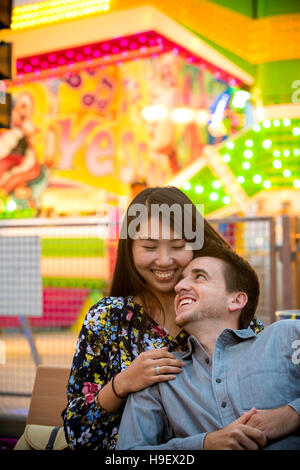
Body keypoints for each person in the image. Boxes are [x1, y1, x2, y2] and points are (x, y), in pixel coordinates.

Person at [62, 186, 263, 450]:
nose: (164, 260)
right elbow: (76, 432)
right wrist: (122, 383)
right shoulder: (108, 318)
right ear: (130, 248)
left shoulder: (221, 309)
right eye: (149, 246)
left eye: (178, 246)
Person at [116, 243, 300, 450]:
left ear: (236, 300)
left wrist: (292, 414)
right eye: (182, 279)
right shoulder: (160, 376)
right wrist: (204, 444)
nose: (179, 287)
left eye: (199, 276)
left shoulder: (286, 337)